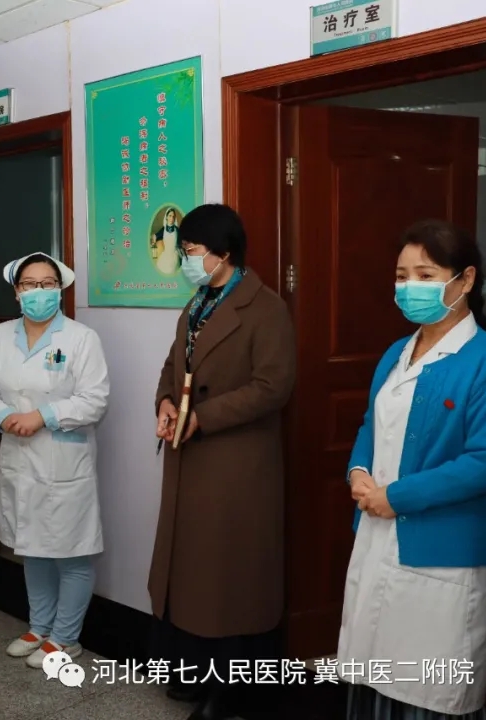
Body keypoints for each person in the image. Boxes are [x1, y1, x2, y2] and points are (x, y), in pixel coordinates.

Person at [343, 220, 486, 720]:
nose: (409, 287)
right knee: (373, 670)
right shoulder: (396, 353)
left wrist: (396, 497)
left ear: (465, 280)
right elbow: (371, 424)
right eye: (401, 276)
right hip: (377, 535)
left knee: (427, 685)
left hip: (444, 554)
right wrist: (357, 471)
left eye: (425, 275)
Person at [150, 204, 296, 720]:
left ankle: (232, 690)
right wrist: (166, 403)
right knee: (191, 575)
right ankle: (192, 672)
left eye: (192, 251)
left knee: (229, 578)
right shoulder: (197, 302)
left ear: (224, 252)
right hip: (189, 459)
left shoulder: (266, 308)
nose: (186, 260)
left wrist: (203, 417)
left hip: (236, 465)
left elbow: (273, 386)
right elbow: (174, 364)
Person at [0, 252, 110, 669]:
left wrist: (43, 416)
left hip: (64, 461)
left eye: (47, 284)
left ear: (60, 289)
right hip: (19, 458)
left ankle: (66, 638)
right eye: (29, 284)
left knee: (72, 552)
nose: (39, 292)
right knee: (32, 548)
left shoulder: (81, 338)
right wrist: (2, 415)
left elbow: (94, 400)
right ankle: (39, 627)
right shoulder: (0, 336)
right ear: (16, 292)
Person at [154, 208, 181, 275]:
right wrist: (154, 238)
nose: (171, 218)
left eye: (173, 216)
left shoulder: (177, 230)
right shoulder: (163, 229)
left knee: (171, 269)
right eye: (170, 216)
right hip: (165, 255)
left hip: (174, 256)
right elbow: (155, 236)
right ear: (166, 217)